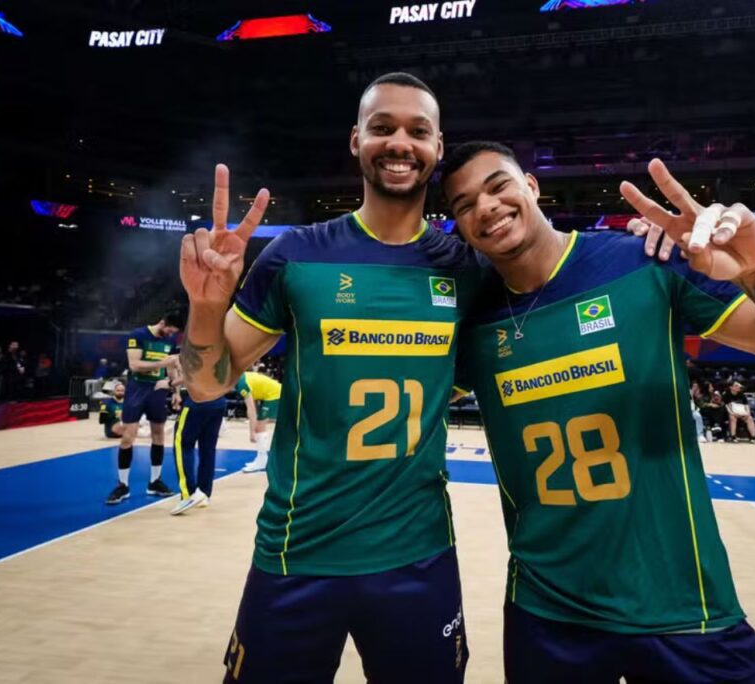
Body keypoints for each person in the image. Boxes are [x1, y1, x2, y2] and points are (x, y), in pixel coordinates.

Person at [442, 141, 755, 683]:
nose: (486, 207)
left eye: (498, 186)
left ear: (531, 185)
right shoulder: (470, 321)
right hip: (546, 615)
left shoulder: (643, 260)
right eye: (463, 204)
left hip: (681, 607)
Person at [178, 73, 478, 682]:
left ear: (439, 147)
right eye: (382, 127)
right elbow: (207, 386)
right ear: (355, 140)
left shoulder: (467, 267)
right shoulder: (297, 253)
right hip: (296, 551)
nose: (400, 142)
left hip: (416, 557)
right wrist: (206, 308)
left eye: (418, 131)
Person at [104, 312, 184, 505]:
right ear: (162, 323)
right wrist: (162, 363)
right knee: (128, 436)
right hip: (137, 389)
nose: (170, 335)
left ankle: (154, 481)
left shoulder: (169, 340)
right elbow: (134, 365)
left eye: (173, 333)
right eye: (169, 330)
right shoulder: (138, 335)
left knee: (159, 435)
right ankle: (122, 485)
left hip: (157, 390)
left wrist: (176, 391)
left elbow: (172, 366)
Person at [167, 369, 226, 515]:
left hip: (196, 400)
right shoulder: (223, 350)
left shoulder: (199, 348)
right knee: (208, 449)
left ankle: (188, 495)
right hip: (218, 401)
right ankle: (203, 493)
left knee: (182, 445)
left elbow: (193, 373)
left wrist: (170, 383)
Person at [235, 366, 282, 473]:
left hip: (275, 394)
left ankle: (262, 460)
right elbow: (254, 403)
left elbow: (251, 408)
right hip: (272, 393)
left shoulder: (241, 384)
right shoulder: (241, 377)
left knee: (260, 426)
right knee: (260, 424)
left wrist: (252, 432)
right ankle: (262, 459)